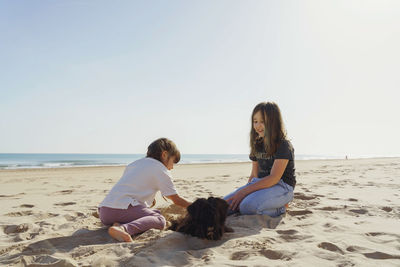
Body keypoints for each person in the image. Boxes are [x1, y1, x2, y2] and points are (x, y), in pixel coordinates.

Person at [99, 138, 191, 242]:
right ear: (164, 155)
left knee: (153, 212)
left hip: (104, 212)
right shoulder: (160, 169)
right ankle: (123, 228)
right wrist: (196, 206)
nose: (172, 167)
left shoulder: (134, 164)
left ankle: (118, 223)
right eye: (173, 162)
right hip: (122, 209)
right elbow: (176, 199)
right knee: (160, 220)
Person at [224, 102, 296, 217]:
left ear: (273, 122)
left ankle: (281, 207)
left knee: (246, 207)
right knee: (224, 206)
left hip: (281, 187)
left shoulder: (283, 145)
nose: (258, 126)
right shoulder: (257, 144)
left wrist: (244, 192)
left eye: (262, 121)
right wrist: (243, 192)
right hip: (260, 184)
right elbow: (254, 175)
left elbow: (274, 178)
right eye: (255, 121)